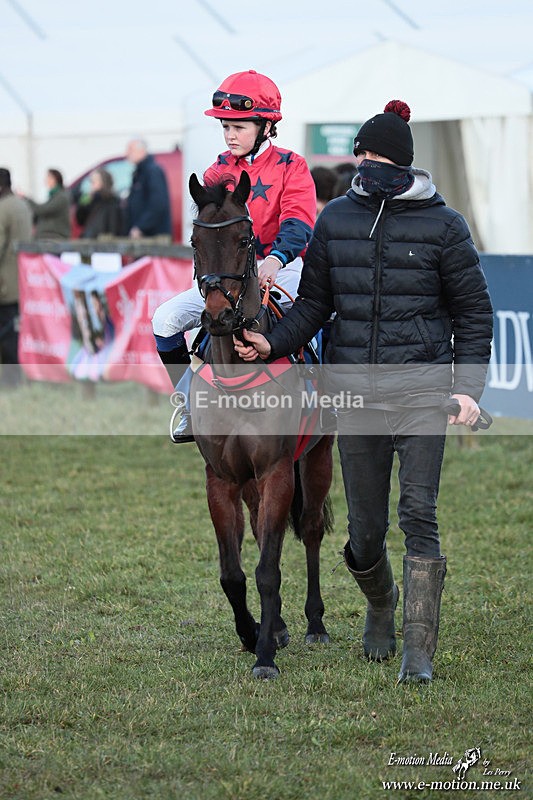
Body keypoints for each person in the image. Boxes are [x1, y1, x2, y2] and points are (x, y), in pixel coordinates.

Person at [234, 100, 494, 685]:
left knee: (419, 515)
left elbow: (474, 311)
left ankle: (418, 652)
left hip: (424, 393)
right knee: (364, 532)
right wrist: (271, 344)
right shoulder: (336, 221)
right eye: (361, 154)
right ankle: (381, 602)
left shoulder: (445, 226)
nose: (364, 164)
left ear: (401, 164)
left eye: (375, 156)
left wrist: (468, 389)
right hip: (353, 396)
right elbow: (315, 307)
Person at [151, 69, 316, 441]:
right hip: (229, 276)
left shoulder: (292, 165)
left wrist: (274, 261)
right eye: (226, 126)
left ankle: (324, 394)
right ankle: (189, 402)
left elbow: (299, 222)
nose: (230, 135)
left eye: (239, 127)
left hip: (283, 266)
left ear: (266, 126)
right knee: (164, 319)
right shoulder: (218, 170)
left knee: (320, 310)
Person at [0, 168, 33, 387]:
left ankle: (10, 381)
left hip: (4, 282)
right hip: (22, 279)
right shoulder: (22, 205)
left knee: (6, 335)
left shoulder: (2, 209)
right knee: (15, 331)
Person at [125, 139, 171, 239]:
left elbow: (158, 203)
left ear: (141, 151)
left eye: (130, 149)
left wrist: (141, 227)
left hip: (153, 236)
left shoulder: (152, 171)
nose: (127, 153)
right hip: (144, 236)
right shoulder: (139, 173)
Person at [75, 168, 123, 239]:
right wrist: (83, 204)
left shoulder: (112, 201)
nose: (92, 184)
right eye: (91, 181)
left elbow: (113, 226)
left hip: (103, 241)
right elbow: (80, 221)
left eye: (94, 181)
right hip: (89, 239)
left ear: (104, 182)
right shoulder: (90, 200)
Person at [25, 169, 70, 239]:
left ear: (55, 179)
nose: (46, 180)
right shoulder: (54, 196)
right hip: (48, 236)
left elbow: (42, 210)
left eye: (48, 177)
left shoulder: (61, 197)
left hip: (55, 236)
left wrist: (27, 199)